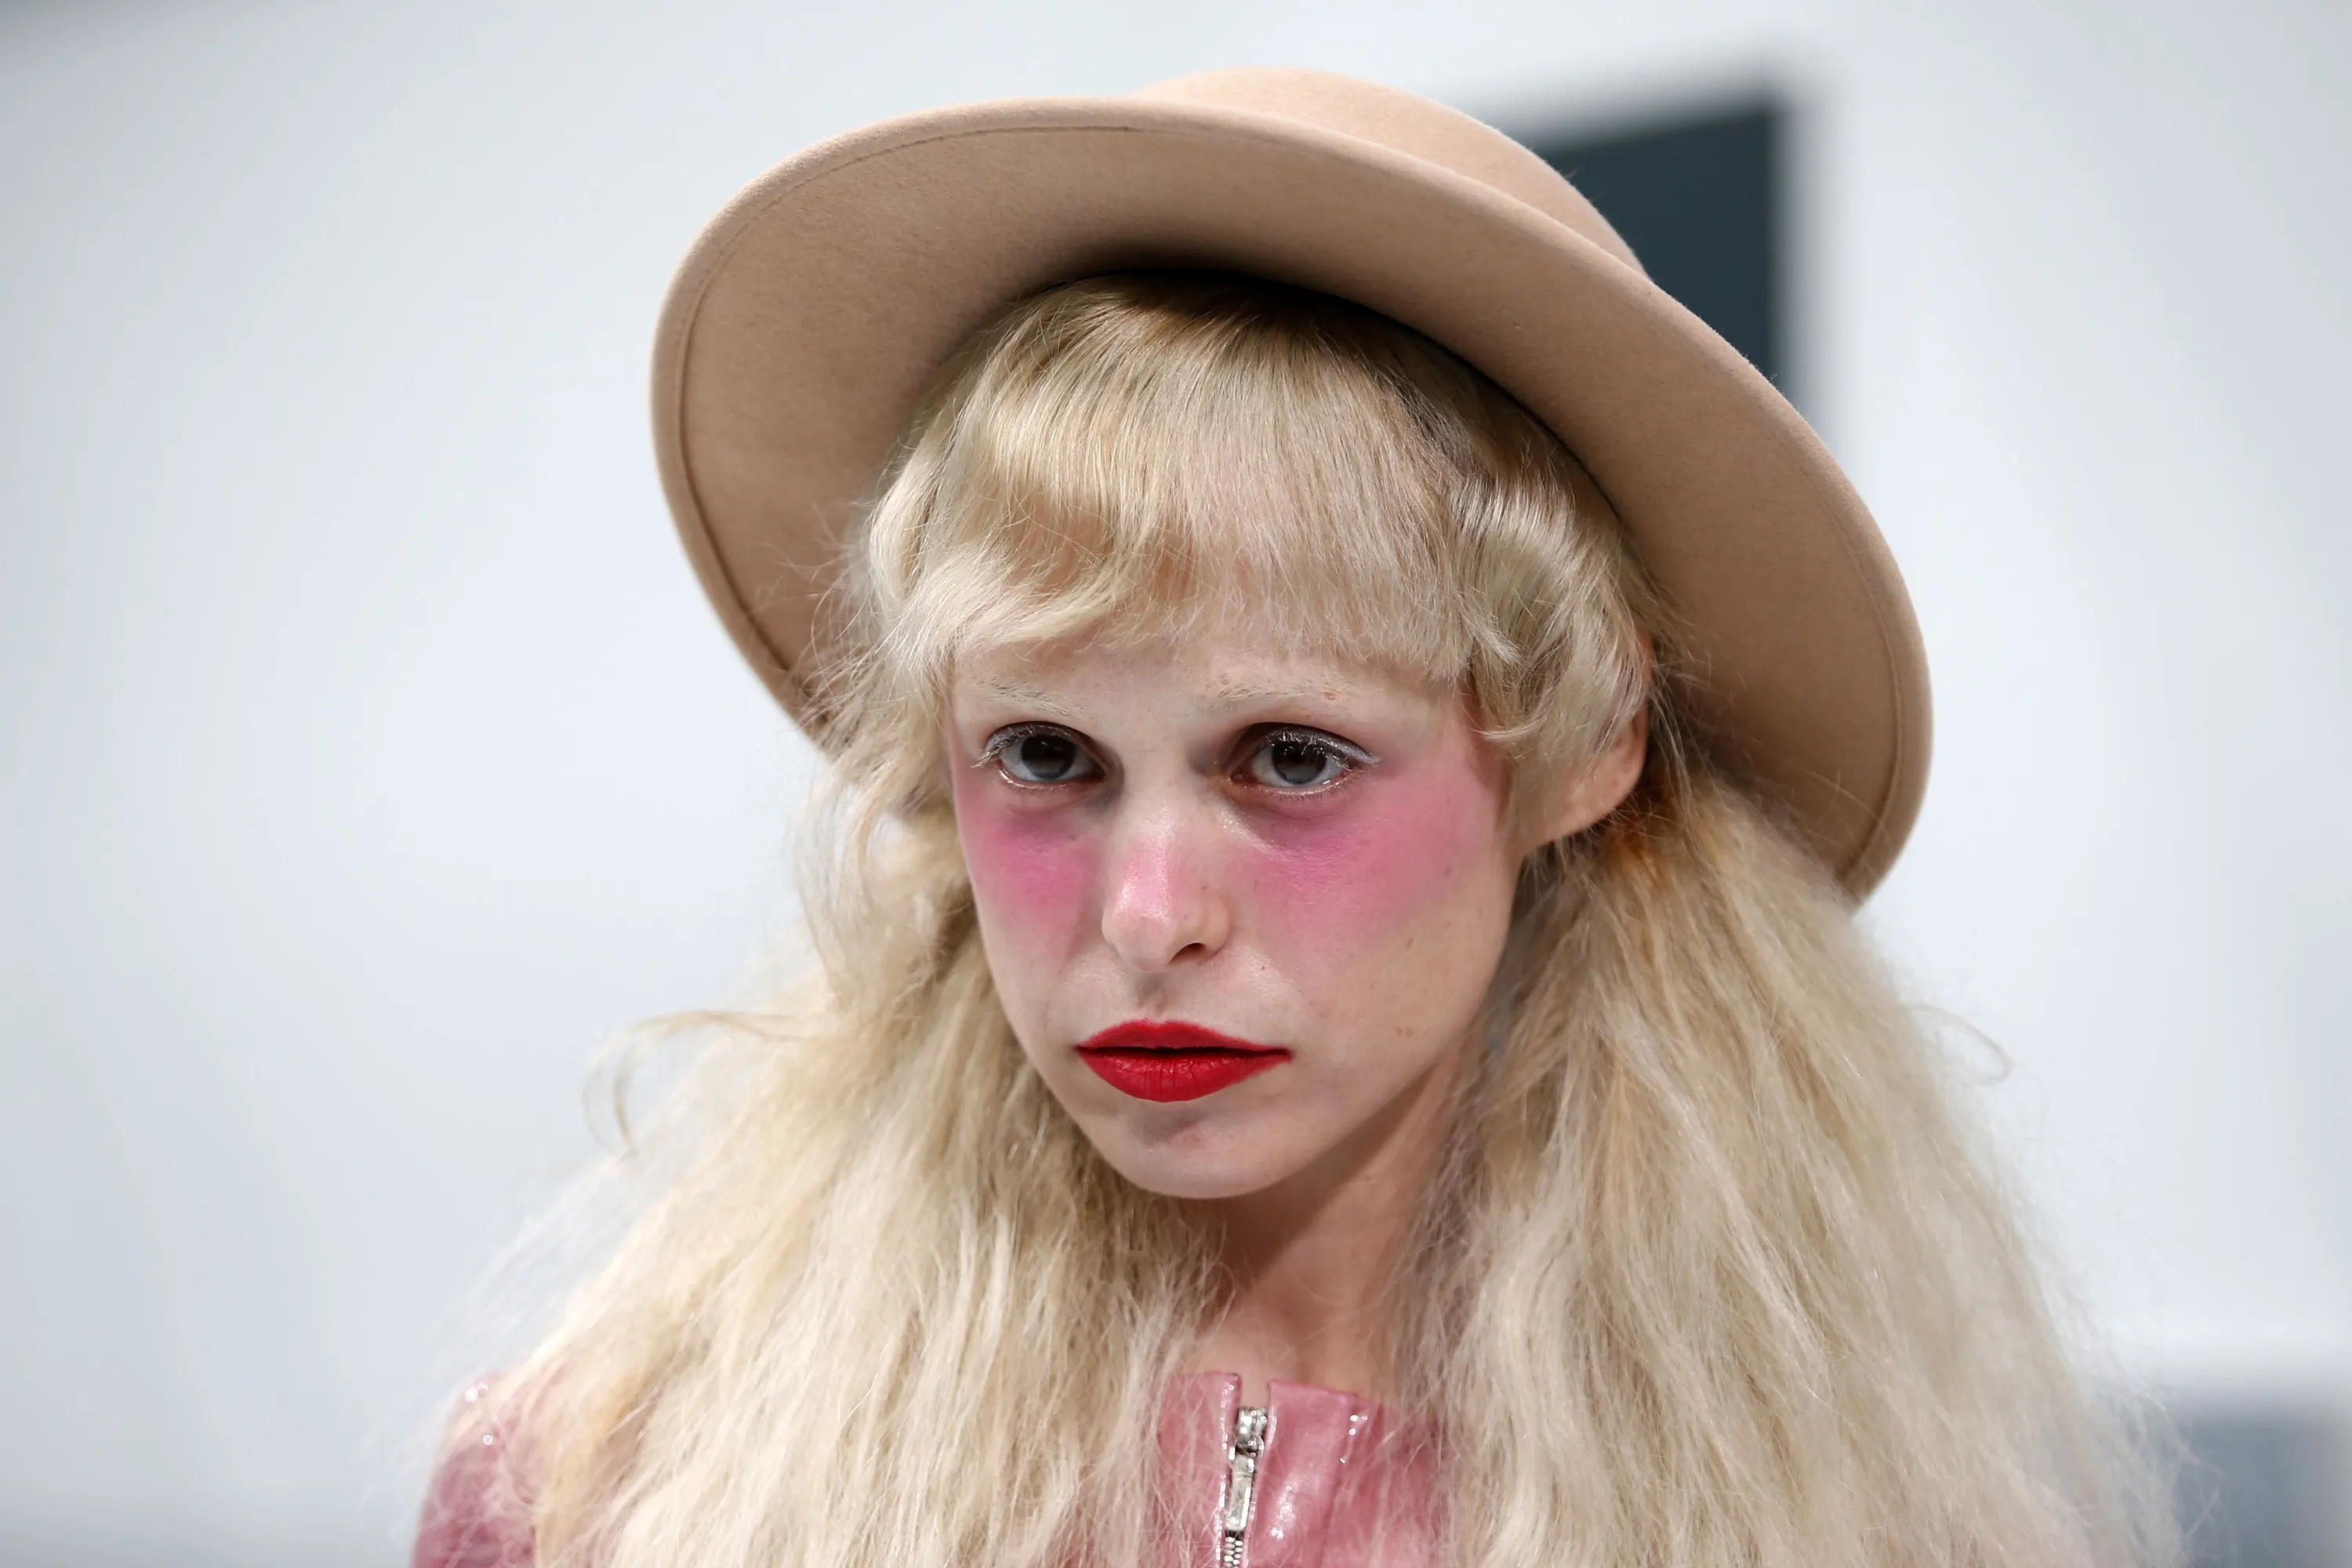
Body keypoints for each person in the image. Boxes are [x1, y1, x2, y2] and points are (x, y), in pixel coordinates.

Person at [412, 68, 2172, 1568]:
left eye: (1290, 758)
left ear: (1590, 744)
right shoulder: (617, 1493)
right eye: (1045, 753)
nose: (1147, 914)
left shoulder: (1857, 1526)